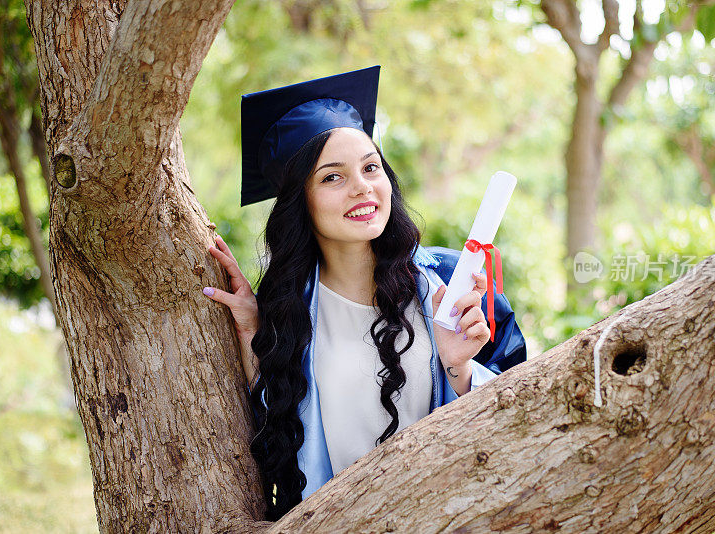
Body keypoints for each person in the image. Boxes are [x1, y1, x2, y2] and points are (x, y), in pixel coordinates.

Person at [202, 66, 526, 520]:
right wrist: (254, 332)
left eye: (371, 167)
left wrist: (457, 367)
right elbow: (279, 444)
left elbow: (522, 416)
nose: (363, 188)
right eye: (332, 177)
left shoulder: (449, 285)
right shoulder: (287, 317)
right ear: (301, 201)